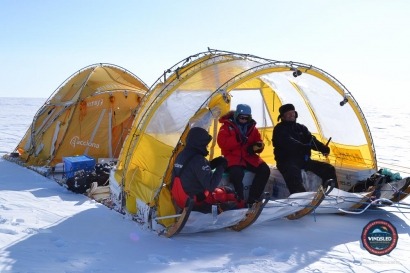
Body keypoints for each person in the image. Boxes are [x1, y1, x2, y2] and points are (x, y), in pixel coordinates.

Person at [272, 103, 338, 194]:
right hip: (286, 161)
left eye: (293, 113)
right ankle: (301, 200)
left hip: (304, 161)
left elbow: (312, 140)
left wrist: (323, 148)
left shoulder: (301, 128)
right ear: (282, 117)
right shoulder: (279, 129)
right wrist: (304, 146)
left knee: (328, 168)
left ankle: (331, 194)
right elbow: (288, 142)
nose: (292, 115)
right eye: (288, 113)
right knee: (293, 173)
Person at [217, 104, 270, 206]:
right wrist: (237, 139)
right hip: (233, 157)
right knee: (237, 174)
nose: (244, 120)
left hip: (248, 157)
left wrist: (258, 146)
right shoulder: (226, 127)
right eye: (242, 117)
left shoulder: (252, 128)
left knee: (264, 170)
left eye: (247, 118)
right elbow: (222, 143)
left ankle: (253, 199)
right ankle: (240, 201)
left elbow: (258, 140)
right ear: (237, 115)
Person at [172, 127, 229, 213]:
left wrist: (214, 163)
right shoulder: (198, 159)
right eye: (206, 144)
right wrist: (221, 167)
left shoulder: (182, 155)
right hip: (196, 203)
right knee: (228, 196)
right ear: (200, 143)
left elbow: (195, 170)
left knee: (222, 192)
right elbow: (211, 186)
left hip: (182, 199)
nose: (207, 146)